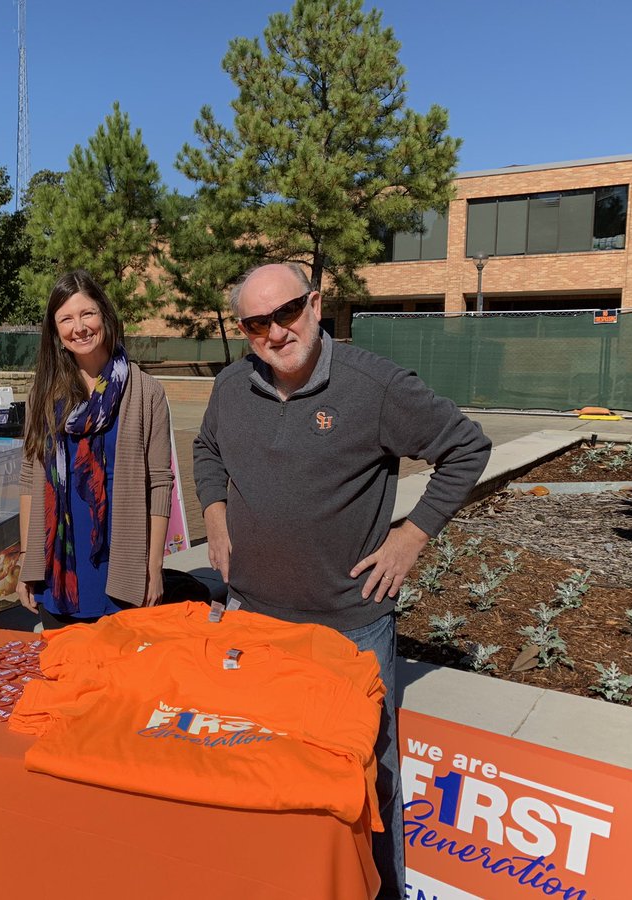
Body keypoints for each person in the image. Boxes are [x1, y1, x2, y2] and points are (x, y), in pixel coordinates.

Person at [193, 263, 491, 900]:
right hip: (253, 618)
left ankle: (380, 890)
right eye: (256, 323)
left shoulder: (373, 386)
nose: (275, 332)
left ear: (316, 304)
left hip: (349, 625)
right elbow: (207, 450)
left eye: (288, 312)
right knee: (257, 764)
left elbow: (465, 447)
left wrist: (412, 536)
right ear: (242, 330)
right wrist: (215, 516)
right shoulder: (228, 388)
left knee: (369, 779)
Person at [16, 270, 174, 628]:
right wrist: (27, 559)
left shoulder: (146, 393)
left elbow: (160, 484)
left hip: (121, 569)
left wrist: (153, 568)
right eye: (66, 319)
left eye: (87, 314)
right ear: (56, 331)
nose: (80, 327)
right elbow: (30, 478)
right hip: (59, 570)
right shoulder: (42, 395)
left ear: (104, 314)